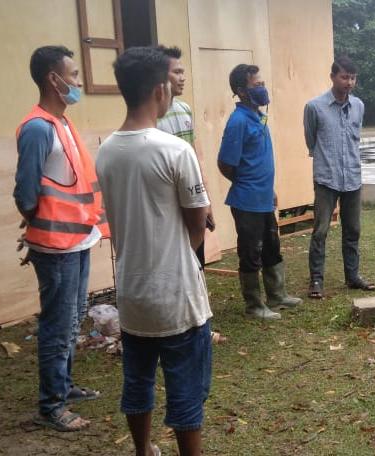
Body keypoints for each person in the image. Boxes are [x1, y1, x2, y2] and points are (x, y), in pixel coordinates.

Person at [96, 47, 212, 456]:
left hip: (131, 292)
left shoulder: (106, 149)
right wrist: (181, 256)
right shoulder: (174, 150)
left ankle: (143, 449)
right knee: (185, 387)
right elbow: (198, 221)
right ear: (160, 90)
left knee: (138, 379)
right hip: (176, 295)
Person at [13, 45, 108, 432]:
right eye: (72, 75)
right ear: (53, 79)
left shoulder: (62, 125)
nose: (78, 82)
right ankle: (51, 406)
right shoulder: (38, 128)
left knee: (71, 321)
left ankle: (64, 387)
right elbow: (25, 194)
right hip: (55, 248)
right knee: (57, 325)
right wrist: (42, 224)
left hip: (78, 240)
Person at [217, 64, 301, 320]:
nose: (263, 89)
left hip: (264, 198)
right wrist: (247, 184)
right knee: (250, 251)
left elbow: (258, 160)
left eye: (263, 84)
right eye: (257, 85)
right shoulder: (238, 121)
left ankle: (277, 295)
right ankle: (254, 306)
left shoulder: (258, 116)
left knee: (272, 247)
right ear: (241, 91)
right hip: (246, 201)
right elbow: (225, 163)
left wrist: (268, 189)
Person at [303, 56, 375, 299]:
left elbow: (355, 139)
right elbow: (311, 141)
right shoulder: (314, 107)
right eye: (344, 77)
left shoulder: (359, 106)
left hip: (353, 178)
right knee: (321, 231)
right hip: (326, 179)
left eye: (353, 77)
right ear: (333, 76)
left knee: (353, 229)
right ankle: (316, 279)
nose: (349, 82)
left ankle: (352, 276)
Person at [156, 45, 215, 268]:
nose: (182, 78)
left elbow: (194, 156)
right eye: (176, 72)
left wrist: (206, 201)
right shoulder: (152, 116)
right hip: (168, 203)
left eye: (183, 72)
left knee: (196, 261)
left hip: (192, 196)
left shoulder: (184, 109)